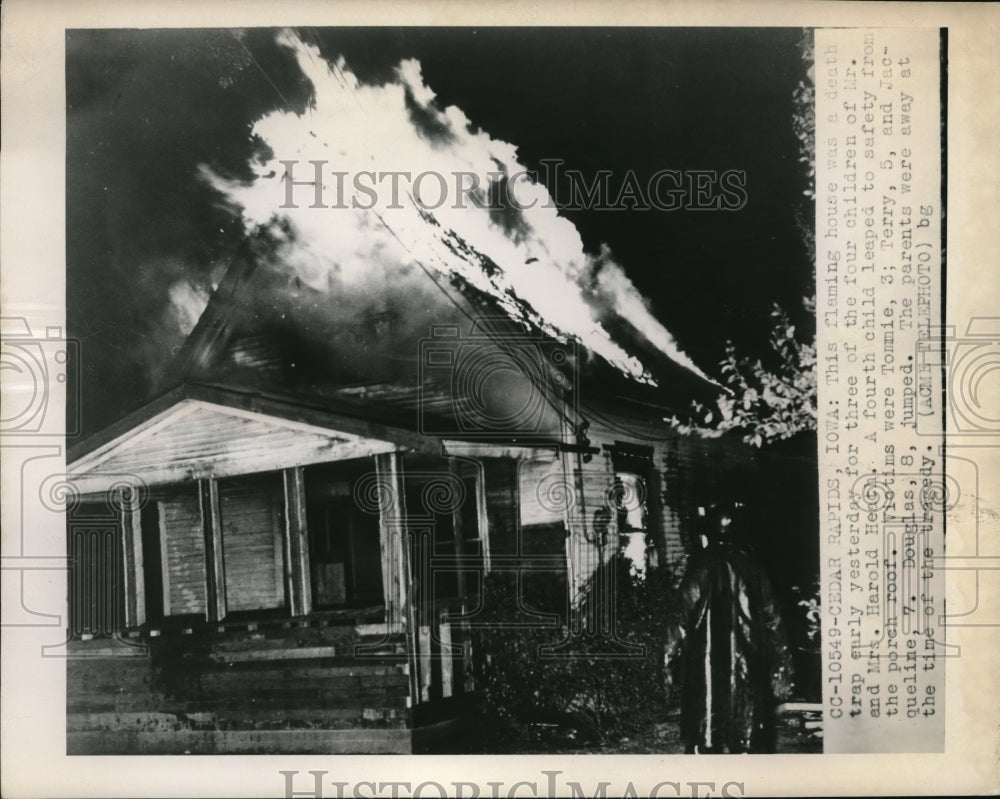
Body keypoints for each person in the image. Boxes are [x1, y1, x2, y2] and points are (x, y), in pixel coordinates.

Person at [665, 501, 793, 753]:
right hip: (749, 665)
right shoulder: (754, 567)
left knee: (707, 734)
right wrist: (782, 662)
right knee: (746, 734)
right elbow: (774, 620)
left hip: (707, 666)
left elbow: (679, 619)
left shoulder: (700, 566)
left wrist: (666, 663)